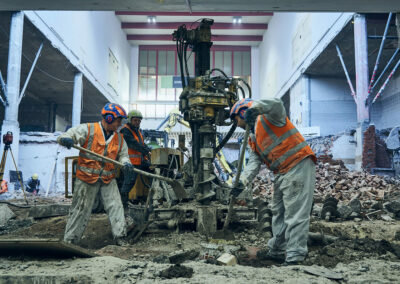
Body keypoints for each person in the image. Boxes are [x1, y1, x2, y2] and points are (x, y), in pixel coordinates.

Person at [230, 98, 316, 265]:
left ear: (243, 112)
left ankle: (295, 256)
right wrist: (241, 183)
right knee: (279, 212)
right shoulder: (252, 138)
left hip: (298, 164)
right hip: (282, 172)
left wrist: (256, 108)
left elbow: (277, 103)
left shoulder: (270, 117)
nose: (236, 124)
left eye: (236, 119)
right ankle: (277, 249)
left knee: (295, 213)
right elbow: (253, 165)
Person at [57, 103, 134, 246]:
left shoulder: (119, 138)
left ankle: (120, 236)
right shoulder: (88, 129)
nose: (120, 124)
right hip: (86, 178)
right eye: (119, 120)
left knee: (116, 206)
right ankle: (70, 241)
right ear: (109, 118)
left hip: (108, 178)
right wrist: (65, 139)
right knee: (81, 208)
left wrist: (126, 164)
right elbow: (69, 135)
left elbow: (123, 156)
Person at [119, 109, 151, 207]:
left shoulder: (138, 131)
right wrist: (147, 151)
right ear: (130, 120)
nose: (137, 122)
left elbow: (142, 144)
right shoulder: (125, 130)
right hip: (129, 162)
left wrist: (150, 151)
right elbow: (134, 144)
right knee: (129, 183)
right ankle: (123, 206)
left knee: (153, 170)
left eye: (139, 121)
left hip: (139, 162)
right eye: (135, 120)